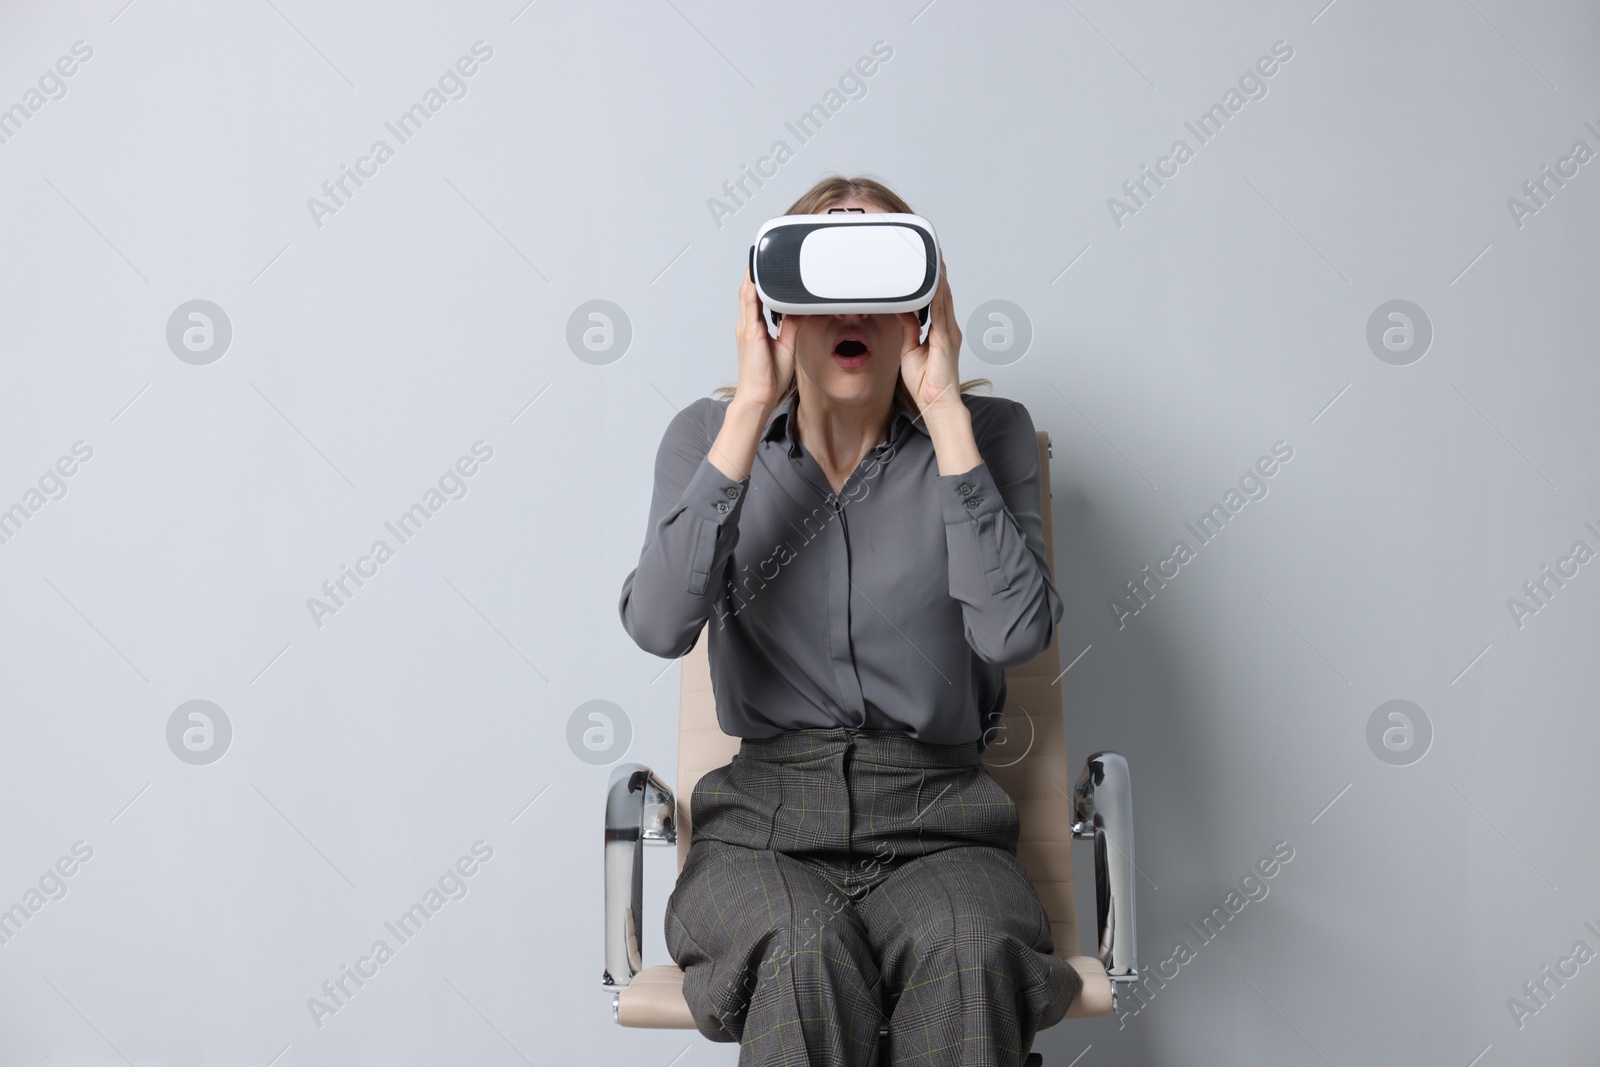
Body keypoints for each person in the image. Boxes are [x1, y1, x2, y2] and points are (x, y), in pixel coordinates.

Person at [617, 174, 1080, 1066]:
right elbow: (658, 623)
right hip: (762, 833)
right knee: (800, 949)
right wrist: (752, 407)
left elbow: (1015, 634)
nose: (851, 312)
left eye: (879, 279)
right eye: (823, 284)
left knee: (969, 947)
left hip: (942, 823)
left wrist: (945, 410)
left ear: (922, 304)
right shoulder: (707, 435)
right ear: (777, 304)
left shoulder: (989, 433)